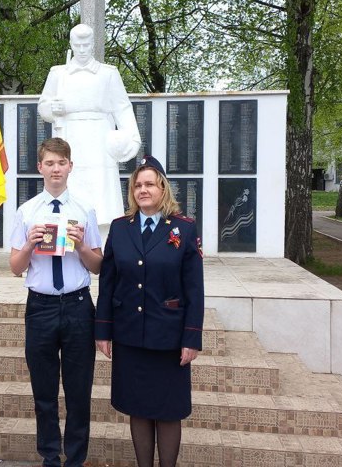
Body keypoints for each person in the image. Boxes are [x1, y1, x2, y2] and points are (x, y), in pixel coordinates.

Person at [94, 156, 204, 467]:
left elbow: (194, 290)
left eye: (149, 184)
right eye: (138, 185)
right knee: (138, 408)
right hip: (130, 335)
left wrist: (192, 338)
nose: (143, 190)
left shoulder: (184, 228)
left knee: (168, 411)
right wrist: (103, 329)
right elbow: (109, 282)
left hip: (168, 337)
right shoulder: (120, 228)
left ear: (162, 188)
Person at [9, 137, 103, 467]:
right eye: (49, 163)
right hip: (41, 307)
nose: (55, 169)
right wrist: (29, 246)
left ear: (70, 166)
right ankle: (50, 456)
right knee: (44, 392)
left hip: (77, 305)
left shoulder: (84, 209)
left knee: (79, 392)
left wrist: (81, 247)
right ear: (40, 168)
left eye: (61, 163)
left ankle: (75, 459)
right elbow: (16, 268)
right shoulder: (27, 212)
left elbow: (98, 266)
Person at [38, 24, 141, 226]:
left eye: (86, 45)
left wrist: (131, 139)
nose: (82, 50)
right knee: (71, 189)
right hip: (69, 137)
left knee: (102, 200)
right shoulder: (58, 74)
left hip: (99, 139)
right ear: (71, 45)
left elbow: (122, 108)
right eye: (78, 45)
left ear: (92, 45)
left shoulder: (108, 73)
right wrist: (54, 108)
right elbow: (43, 108)